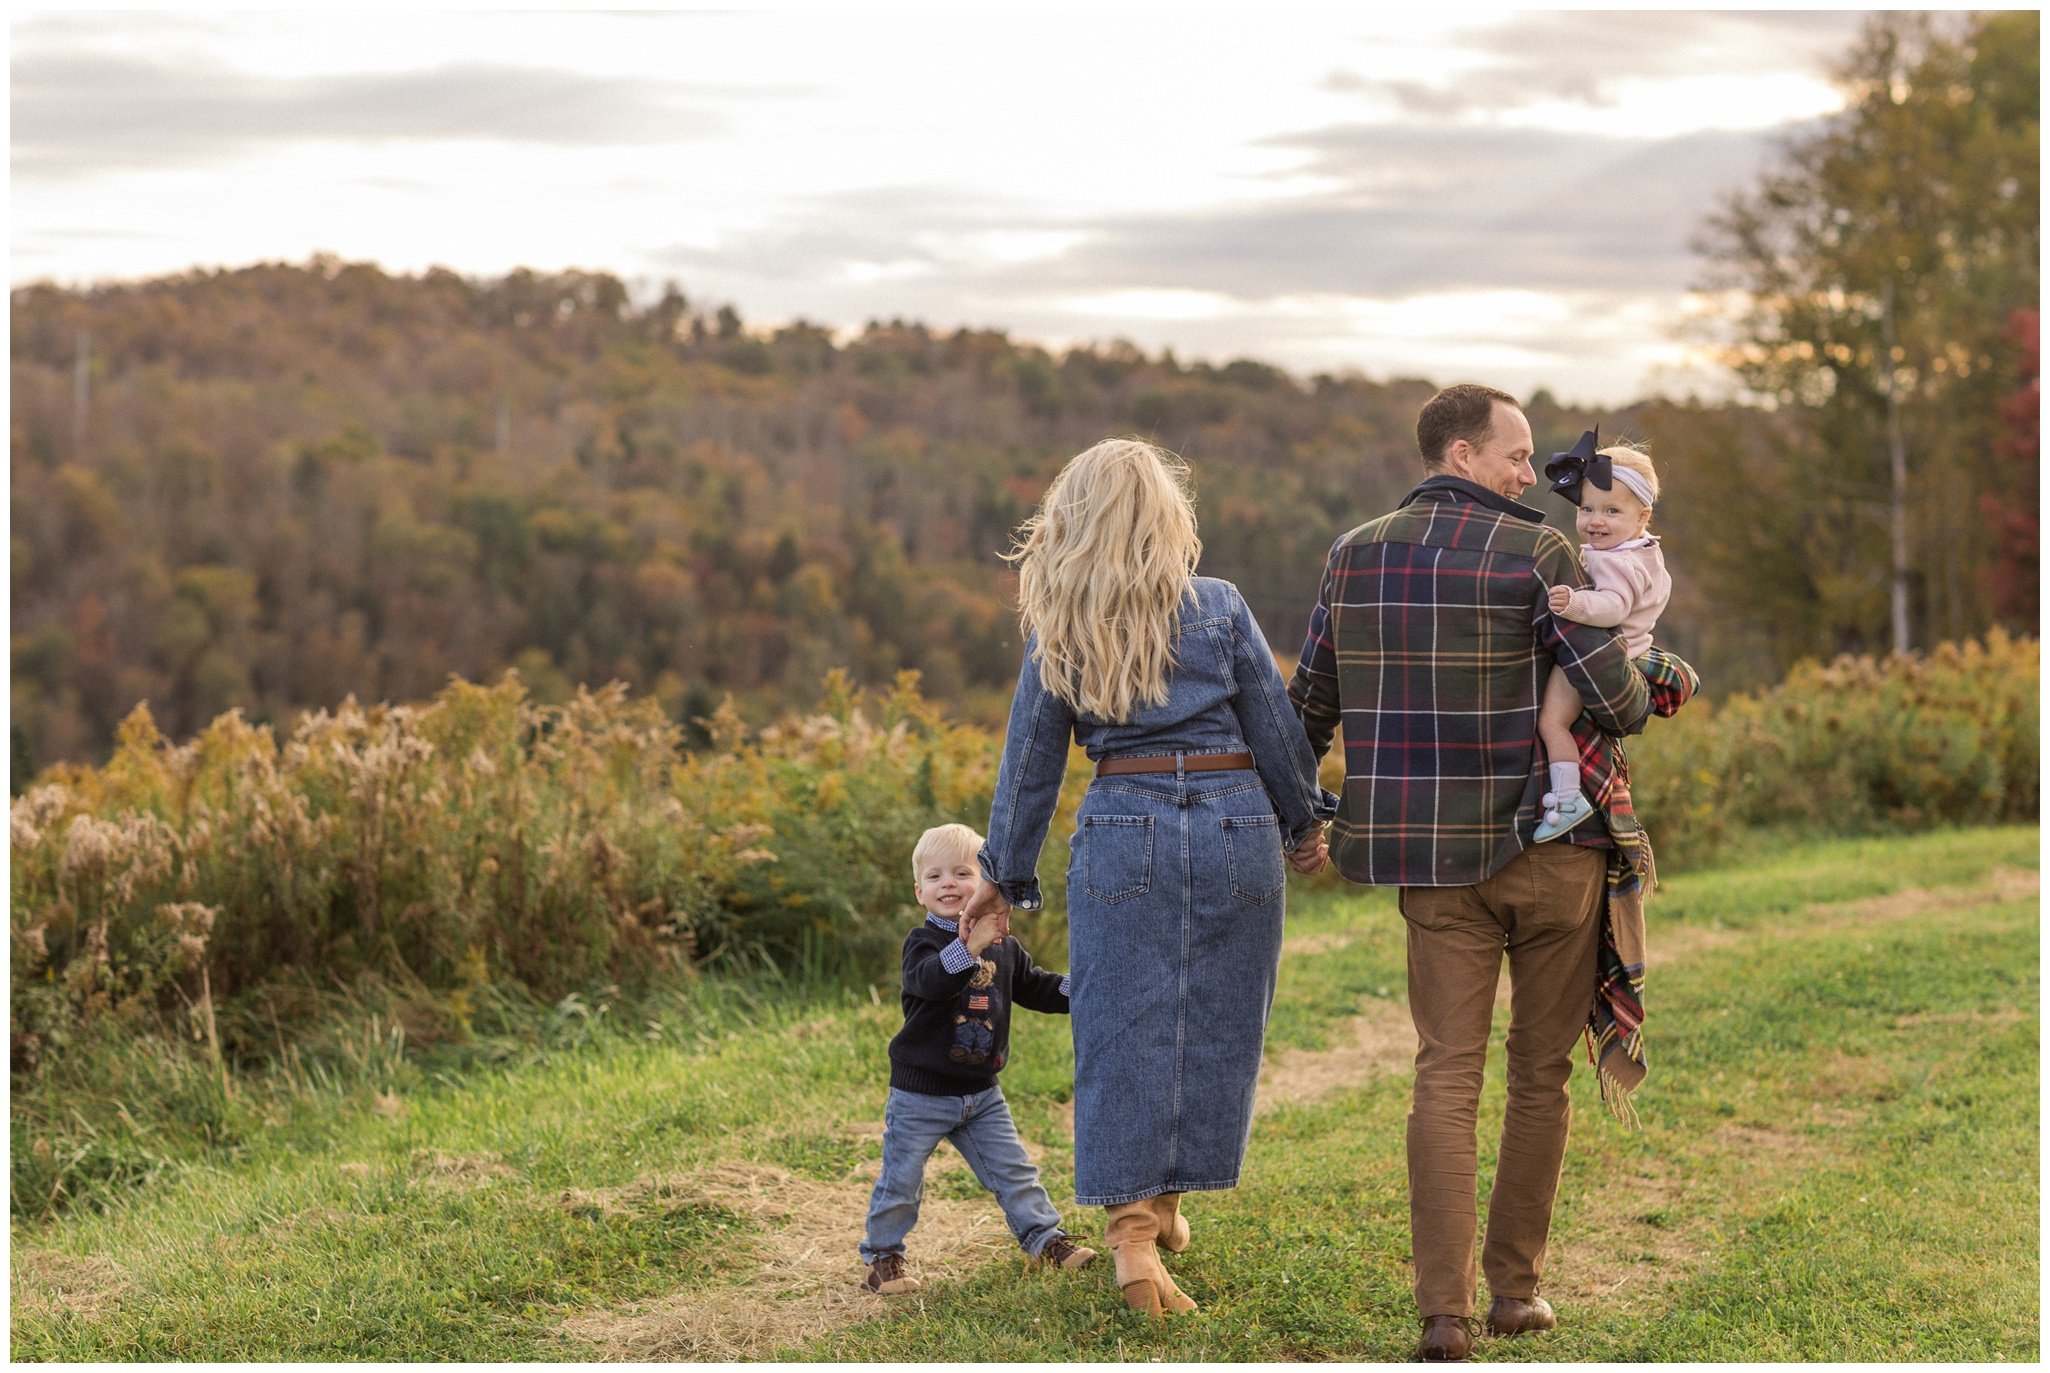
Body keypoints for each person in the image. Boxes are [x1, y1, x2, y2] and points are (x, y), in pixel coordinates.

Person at [1286, 385, 1696, 1361]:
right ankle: (1513, 1292)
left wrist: (1302, 815)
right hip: (1550, 852)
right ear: (1463, 452)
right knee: (1538, 1074)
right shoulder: (1538, 553)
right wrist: (1666, 674)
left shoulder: (1352, 554)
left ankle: (1441, 1314)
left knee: (1443, 1074)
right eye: (1516, 457)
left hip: (1429, 865)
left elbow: (1306, 708)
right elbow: (1615, 699)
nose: (1530, 477)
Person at [958, 438, 1335, 1318]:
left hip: (1125, 822)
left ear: (1072, 522)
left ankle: (1141, 1219)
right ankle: (1152, 1217)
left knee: (1123, 1020)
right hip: (1237, 815)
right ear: (1170, 519)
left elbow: (1030, 766)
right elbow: (1276, 729)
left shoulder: (1063, 624)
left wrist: (1003, 878)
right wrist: (1303, 821)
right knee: (1220, 1016)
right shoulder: (1219, 605)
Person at [858, 823, 1096, 1295]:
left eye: (963, 873)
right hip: (921, 1092)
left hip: (981, 1095)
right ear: (919, 892)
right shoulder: (921, 945)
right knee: (902, 1179)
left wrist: (1085, 991)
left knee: (1014, 1171)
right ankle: (883, 1258)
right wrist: (970, 946)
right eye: (935, 877)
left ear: (985, 885)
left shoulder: (1004, 946)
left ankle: (1046, 1238)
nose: (948, 883)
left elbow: (1037, 987)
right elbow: (929, 982)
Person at [1532, 432, 1674, 842]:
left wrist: (1572, 604)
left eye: (1611, 511)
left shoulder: (1618, 564)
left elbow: (1613, 606)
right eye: (1588, 508)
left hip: (1604, 653)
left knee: (1552, 721)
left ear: (1642, 516)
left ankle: (1566, 798)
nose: (1595, 521)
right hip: (1627, 648)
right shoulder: (1640, 550)